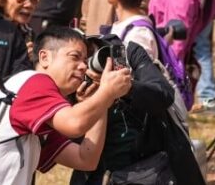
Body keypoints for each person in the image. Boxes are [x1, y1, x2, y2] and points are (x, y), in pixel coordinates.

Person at [0, 27, 133, 183]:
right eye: (75, 57)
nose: (83, 66)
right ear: (44, 57)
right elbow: (74, 124)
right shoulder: (33, 82)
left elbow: (85, 159)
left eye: (85, 60)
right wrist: (107, 92)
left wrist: (100, 99)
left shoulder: (42, 114)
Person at [70, 32, 205, 185]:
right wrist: (87, 104)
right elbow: (68, 142)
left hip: (151, 167)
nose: (86, 65)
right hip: (100, 173)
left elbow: (164, 94)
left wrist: (125, 87)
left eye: (94, 53)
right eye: (78, 58)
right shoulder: (71, 77)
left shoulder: (127, 52)